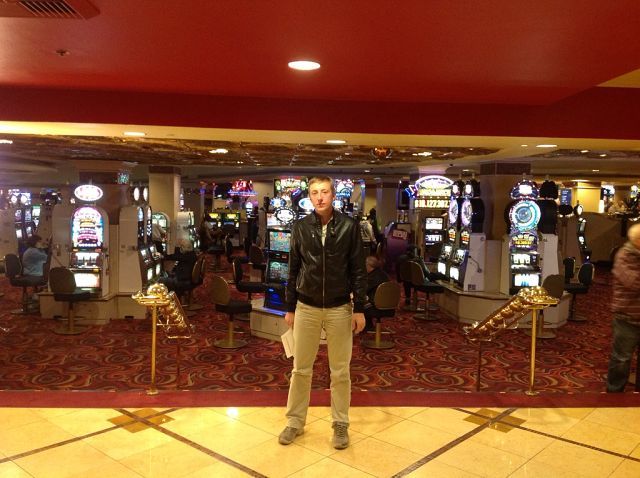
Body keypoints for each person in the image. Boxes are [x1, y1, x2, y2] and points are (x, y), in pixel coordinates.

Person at [279, 175, 367, 450]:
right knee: (300, 369)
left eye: (325, 192)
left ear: (333, 195)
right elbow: (293, 270)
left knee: (340, 371)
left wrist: (359, 308)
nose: (320, 197)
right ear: (309, 196)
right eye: (315, 192)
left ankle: (340, 423)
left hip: (340, 307)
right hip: (306, 306)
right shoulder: (300, 227)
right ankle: (295, 421)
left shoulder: (350, 227)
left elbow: (358, 271)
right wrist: (290, 307)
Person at [606, 223, 640, 392]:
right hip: (627, 317)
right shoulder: (624, 255)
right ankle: (614, 393)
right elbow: (634, 283)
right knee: (621, 359)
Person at [363, 255, 390, 332]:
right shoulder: (382, 273)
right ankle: (368, 325)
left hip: (377, 307)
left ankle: (366, 325)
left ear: (368, 265)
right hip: (388, 305)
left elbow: (363, 290)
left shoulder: (373, 277)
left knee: (357, 302)